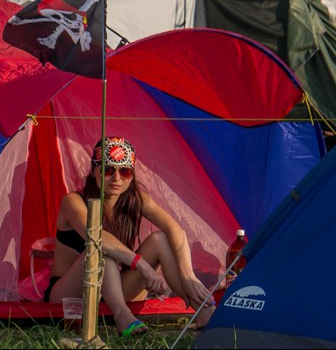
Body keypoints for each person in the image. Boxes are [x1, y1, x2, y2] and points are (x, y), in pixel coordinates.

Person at [44, 137, 216, 336]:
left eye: (125, 171)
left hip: (111, 289)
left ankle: (202, 308)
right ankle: (122, 316)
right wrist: (142, 265)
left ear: (132, 176)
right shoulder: (73, 201)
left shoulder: (135, 198)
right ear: (93, 171)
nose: (116, 178)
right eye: (108, 170)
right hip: (70, 296)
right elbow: (97, 236)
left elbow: (175, 230)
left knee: (160, 239)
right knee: (100, 249)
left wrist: (188, 276)